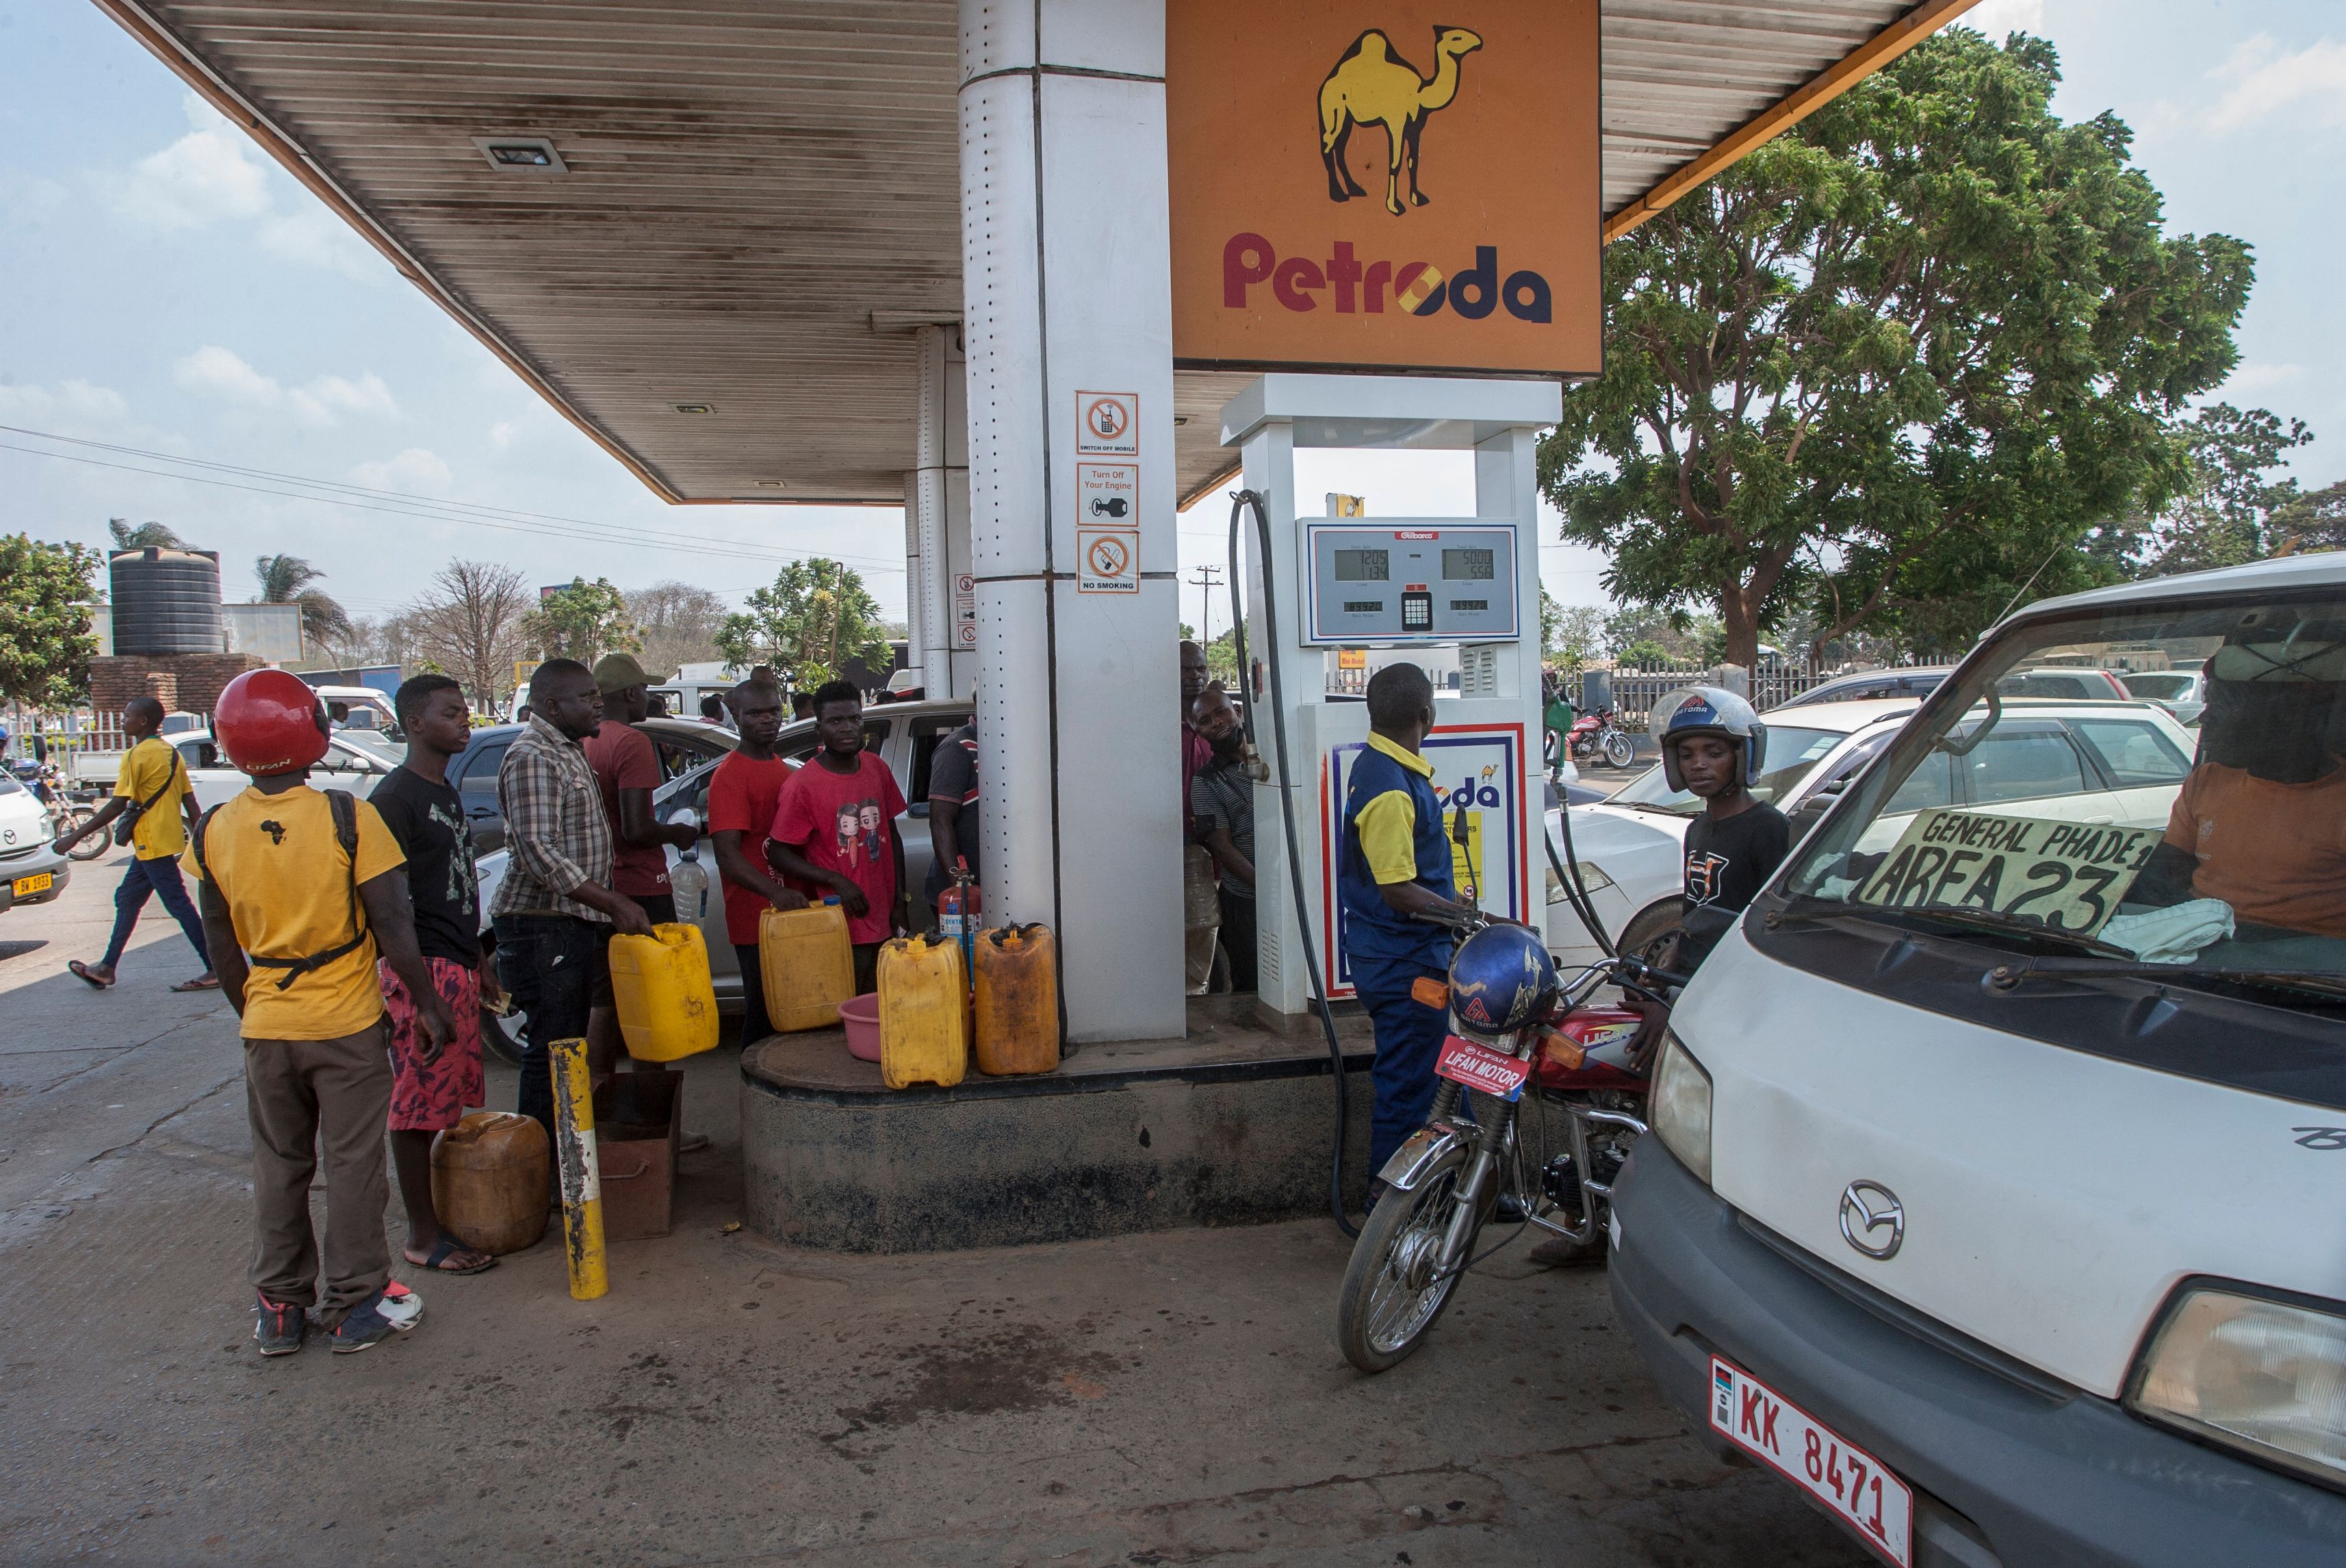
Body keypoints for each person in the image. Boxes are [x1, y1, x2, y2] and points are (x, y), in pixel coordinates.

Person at [185, 669, 451, 1354]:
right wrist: (425, 1003)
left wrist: (253, 1006)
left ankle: (279, 1308)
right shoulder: (347, 815)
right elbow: (394, 921)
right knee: (354, 1162)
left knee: (279, 1164)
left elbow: (219, 939)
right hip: (345, 1022)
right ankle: (357, 1301)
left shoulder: (214, 828)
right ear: (316, 733)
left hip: (266, 1024)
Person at [488, 659, 653, 1141]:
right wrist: (613, 902)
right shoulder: (535, 755)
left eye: (598, 695)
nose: (598, 702)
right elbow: (539, 851)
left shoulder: (567, 747)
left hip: (566, 922)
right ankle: (545, 1170)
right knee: (553, 1052)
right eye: (587, 697)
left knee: (565, 1047)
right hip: (542, 925)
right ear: (552, 704)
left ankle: (564, 1165)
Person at [367, 673, 498, 1277]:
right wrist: (421, 995)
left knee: (446, 1102)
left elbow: (455, 889)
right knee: (416, 1105)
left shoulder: (442, 791)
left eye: (465, 710)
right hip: (420, 970)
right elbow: (388, 908)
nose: (464, 720)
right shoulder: (394, 800)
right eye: (451, 712)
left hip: (455, 961)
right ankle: (422, 1236)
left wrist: (479, 958)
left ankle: (442, 1216)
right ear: (415, 723)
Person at [1339, 663, 1482, 1179]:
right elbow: (1396, 889)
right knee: (1408, 1088)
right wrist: (1472, 918)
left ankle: (1469, 1188)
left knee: (1444, 1074)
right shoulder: (1390, 787)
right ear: (1428, 715)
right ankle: (1387, 1212)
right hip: (1402, 964)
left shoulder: (1386, 766)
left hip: (1411, 955)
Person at [581, 654, 699, 1081]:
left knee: (605, 1001)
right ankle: (650, 1115)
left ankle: (599, 1108)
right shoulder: (632, 742)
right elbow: (636, 827)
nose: (648, 698)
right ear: (631, 694)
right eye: (645, 690)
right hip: (641, 886)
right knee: (650, 1002)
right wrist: (677, 834)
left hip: (600, 886)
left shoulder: (586, 739)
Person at [55, 695, 216, 992]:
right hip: (164, 841)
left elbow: (117, 805)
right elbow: (189, 800)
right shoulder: (170, 753)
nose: (122, 719)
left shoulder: (136, 756)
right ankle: (107, 967)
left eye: (127, 715)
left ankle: (215, 967)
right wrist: (200, 839)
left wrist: (73, 837)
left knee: (179, 905)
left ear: (143, 722)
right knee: (128, 898)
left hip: (150, 843)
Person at [767, 680, 910, 993]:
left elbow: (892, 836)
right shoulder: (802, 785)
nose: (847, 728)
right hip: (842, 921)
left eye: (854, 719)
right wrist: (836, 880)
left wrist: (900, 900)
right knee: (854, 1005)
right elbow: (778, 853)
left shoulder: (876, 768)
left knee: (890, 1000)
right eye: (835, 721)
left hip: (885, 915)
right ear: (819, 729)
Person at [1653, 686, 1788, 968]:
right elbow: (1694, 913)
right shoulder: (1697, 829)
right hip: (1699, 972)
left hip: (1737, 973)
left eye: (1714, 753)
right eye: (1687, 756)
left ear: (1742, 757)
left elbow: (1774, 923)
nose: (1698, 765)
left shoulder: (1768, 828)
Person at [706, 678, 807, 1042]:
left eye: (774, 712)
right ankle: (752, 1096)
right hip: (756, 919)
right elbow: (727, 856)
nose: (767, 720)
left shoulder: (782, 767)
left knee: (793, 1013)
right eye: (755, 714)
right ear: (736, 716)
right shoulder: (730, 777)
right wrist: (774, 893)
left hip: (792, 912)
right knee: (763, 1014)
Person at [1189, 685, 1256, 991]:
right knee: (1252, 983)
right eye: (1206, 720)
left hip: (1299, 891)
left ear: (1238, 712)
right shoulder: (1205, 782)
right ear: (1198, 731)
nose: (1216, 722)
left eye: (1221, 712)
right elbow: (1221, 846)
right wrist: (1271, 887)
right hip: (1247, 902)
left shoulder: (1279, 753)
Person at [923, 708, 980, 918]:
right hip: (963, 896)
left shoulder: (1002, 746)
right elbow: (940, 821)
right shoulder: (956, 748)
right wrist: (961, 891)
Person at [1179, 640, 1212, 839]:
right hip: (1171, 837)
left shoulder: (1220, 725)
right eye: (1185, 669)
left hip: (1217, 835)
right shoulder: (1157, 726)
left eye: (1201, 669)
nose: (1195, 676)